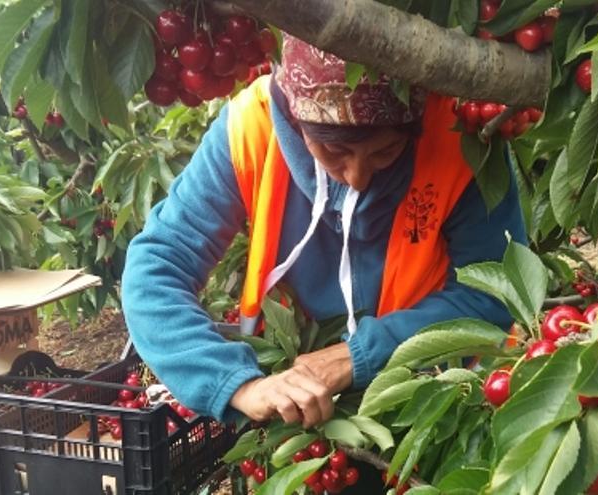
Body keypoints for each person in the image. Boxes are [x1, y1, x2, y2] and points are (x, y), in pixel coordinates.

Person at [122, 34, 525, 431]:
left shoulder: (460, 134)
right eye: (333, 153)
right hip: (299, 408)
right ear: (295, 125)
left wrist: (362, 354)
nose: (358, 178)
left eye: (385, 152)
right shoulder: (251, 129)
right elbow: (156, 266)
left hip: (437, 396)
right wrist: (238, 385)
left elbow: (496, 286)